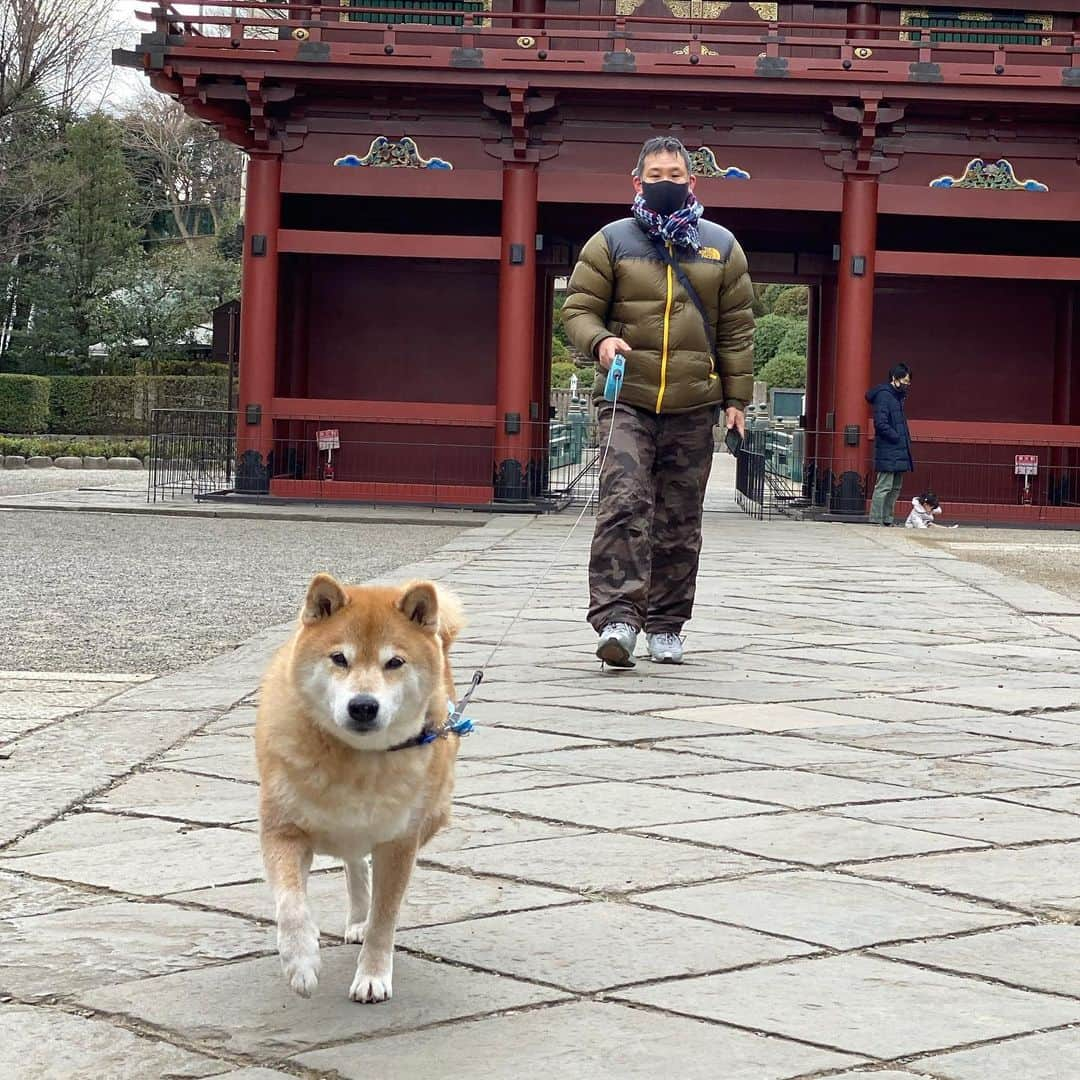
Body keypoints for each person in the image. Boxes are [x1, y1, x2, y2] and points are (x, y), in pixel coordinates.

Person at [562, 135, 755, 667]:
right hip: (628, 395)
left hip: (694, 402)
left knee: (679, 516)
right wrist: (599, 341)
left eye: (675, 175)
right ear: (637, 181)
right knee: (624, 501)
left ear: (692, 183)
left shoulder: (721, 245)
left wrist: (736, 396)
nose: (665, 183)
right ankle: (619, 618)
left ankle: (667, 622)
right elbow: (577, 309)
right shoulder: (611, 241)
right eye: (656, 175)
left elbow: (738, 330)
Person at [865, 363, 913, 527]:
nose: (907, 384)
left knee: (895, 487)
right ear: (895, 378)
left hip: (897, 447)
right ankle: (877, 518)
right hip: (890, 447)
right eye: (905, 381)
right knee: (885, 485)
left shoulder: (896, 397)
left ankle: (887, 518)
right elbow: (881, 423)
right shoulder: (885, 396)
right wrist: (897, 436)